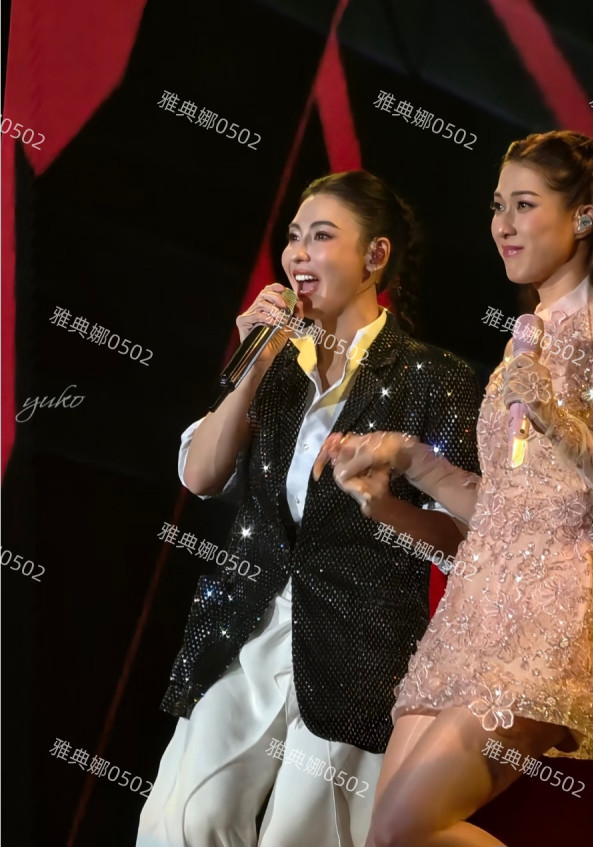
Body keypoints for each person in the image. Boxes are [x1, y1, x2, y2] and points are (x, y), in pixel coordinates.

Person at [315, 131, 593, 847]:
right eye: (496, 206)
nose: (502, 225)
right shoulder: (525, 335)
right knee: (384, 840)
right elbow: (504, 513)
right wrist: (405, 469)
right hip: (472, 613)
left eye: (523, 205)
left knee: (400, 830)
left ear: (583, 216)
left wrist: (557, 419)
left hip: (555, 614)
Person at [136, 170, 481, 847]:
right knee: (184, 822)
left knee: (306, 836)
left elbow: (470, 538)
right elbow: (201, 475)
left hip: (361, 649)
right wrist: (254, 367)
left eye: (321, 236)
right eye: (293, 236)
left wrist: (387, 505)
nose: (298, 253)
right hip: (244, 625)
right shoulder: (275, 361)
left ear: (375, 255)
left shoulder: (434, 379)